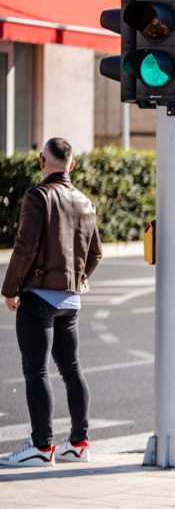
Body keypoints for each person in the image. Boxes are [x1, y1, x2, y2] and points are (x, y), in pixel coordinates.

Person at [1, 138, 102, 468]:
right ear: (70, 165)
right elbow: (96, 253)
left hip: (39, 296)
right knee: (72, 368)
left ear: (43, 162)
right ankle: (79, 443)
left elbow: (24, 247)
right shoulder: (86, 202)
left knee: (36, 371)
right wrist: (75, 280)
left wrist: (10, 288)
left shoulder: (38, 196)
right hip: (70, 300)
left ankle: (42, 447)